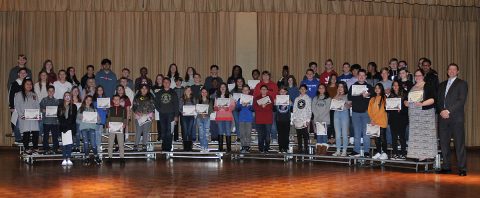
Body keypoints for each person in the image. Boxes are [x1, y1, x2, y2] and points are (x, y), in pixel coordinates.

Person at [436, 63, 468, 176]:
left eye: (454, 69)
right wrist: (441, 111)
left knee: (459, 144)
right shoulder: (441, 85)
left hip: (456, 118)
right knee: (444, 144)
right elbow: (438, 101)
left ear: (458, 71)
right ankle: (446, 166)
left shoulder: (462, 84)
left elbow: (461, 100)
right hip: (443, 118)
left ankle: (462, 168)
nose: (452, 71)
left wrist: (448, 111)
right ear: (447, 71)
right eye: (450, 69)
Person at [405, 69, 437, 161]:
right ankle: (416, 154)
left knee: (425, 134)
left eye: (419, 75)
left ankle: (427, 155)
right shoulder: (412, 86)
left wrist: (422, 104)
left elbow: (433, 99)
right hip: (414, 114)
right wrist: (405, 102)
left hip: (425, 112)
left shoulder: (428, 85)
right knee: (415, 134)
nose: (417, 77)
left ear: (423, 76)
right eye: (416, 75)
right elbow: (406, 98)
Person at [348, 69, 374, 157]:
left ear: (365, 76)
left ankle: (366, 151)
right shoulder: (353, 86)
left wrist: (368, 95)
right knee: (357, 132)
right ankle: (356, 150)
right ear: (357, 76)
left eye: (363, 75)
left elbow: (373, 95)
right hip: (355, 113)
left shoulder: (369, 87)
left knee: (366, 133)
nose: (362, 77)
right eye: (360, 75)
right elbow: (350, 97)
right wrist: (360, 96)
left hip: (366, 113)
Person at [15, 78, 40, 155]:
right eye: (27, 84)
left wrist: (38, 114)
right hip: (24, 117)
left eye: (30, 84)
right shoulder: (19, 94)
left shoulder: (34, 94)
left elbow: (37, 105)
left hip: (33, 117)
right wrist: (21, 115)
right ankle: (26, 148)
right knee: (26, 133)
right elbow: (17, 106)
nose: (29, 86)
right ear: (24, 85)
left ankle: (35, 148)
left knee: (36, 131)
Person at [253, 70, 278, 143]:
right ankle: (259, 138)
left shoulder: (274, 85)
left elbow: (276, 96)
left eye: (267, 75)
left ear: (269, 76)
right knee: (259, 124)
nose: (265, 77)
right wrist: (261, 103)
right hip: (260, 108)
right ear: (262, 77)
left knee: (272, 123)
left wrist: (272, 101)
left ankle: (274, 138)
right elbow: (255, 97)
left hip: (270, 107)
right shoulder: (258, 85)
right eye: (264, 75)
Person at [154, 78, 179, 152]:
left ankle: (168, 147)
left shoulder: (173, 92)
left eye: (167, 82)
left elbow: (176, 105)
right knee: (163, 130)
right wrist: (160, 110)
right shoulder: (159, 93)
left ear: (170, 83)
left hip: (171, 114)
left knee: (169, 131)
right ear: (163, 83)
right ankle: (164, 147)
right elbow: (156, 103)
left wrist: (176, 115)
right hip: (162, 114)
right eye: (164, 82)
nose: (166, 83)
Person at [77, 95, 101, 165]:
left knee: (93, 144)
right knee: (86, 143)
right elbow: (77, 120)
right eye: (87, 99)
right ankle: (86, 156)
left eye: (90, 100)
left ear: (91, 102)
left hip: (92, 128)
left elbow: (99, 121)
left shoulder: (94, 110)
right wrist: (81, 119)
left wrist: (98, 119)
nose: (88, 101)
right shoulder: (81, 109)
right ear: (85, 100)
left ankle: (96, 156)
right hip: (84, 128)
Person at [388, 80, 408, 160]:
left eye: (397, 85)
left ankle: (403, 153)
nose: (395, 87)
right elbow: (387, 110)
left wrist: (401, 109)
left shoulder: (405, 94)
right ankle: (395, 153)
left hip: (402, 118)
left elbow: (407, 108)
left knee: (402, 137)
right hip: (393, 119)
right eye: (394, 85)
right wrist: (389, 107)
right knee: (394, 137)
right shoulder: (390, 95)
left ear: (400, 86)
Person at [132, 84, 155, 151]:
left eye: (145, 88)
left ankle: (144, 145)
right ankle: (136, 145)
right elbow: (134, 107)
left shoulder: (151, 97)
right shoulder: (136, 97)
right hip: (139, 117)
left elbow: (153, 106)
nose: (144, 89)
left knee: (145, 131)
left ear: (147, 90)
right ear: (140, 89)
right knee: (138, 131)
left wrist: (146, 113)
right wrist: (138, 112)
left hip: (148, 116)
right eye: (142, 88)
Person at [368, 83, 388, 160]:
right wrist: (372, 119)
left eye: (379, 88)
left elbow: (384, 110)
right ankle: (379, 152)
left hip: (382, 121)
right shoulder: (372, 99)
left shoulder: (384, 98)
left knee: (383, 138)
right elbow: (369, 110)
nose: (377, 89)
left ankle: (385, 153)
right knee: (376, 139)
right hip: (374, 122)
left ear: (381, 89)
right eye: (376, 88)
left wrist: (376, 119)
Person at [214, 83, 236, 152]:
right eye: (221, 87)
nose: (222, 88)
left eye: (224, 87)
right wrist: (217, 108)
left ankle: (229, 149)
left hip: (227, 116)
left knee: (227, 132)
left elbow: (233, 106)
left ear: (226, 88)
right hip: (219, 116)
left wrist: (228, 109)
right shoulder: (217, 96)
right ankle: (220, 148)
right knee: (220, 132)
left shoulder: (230, 96)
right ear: (219, 88)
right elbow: (214, 107)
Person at [331, 81, 351, 157]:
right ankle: (338, 150)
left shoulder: (347, 95)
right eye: (339, 86)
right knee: (337, 134)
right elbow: (332, 103)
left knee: (344, 134)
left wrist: (343, 103)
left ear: (344, 87)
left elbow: (349, 106)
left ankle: (344, 151)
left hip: (344, 114)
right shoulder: (336, 95)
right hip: (336, 114)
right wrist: (337, 94)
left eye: (342, 86)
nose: (340, 88)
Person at [106, 95, 128, 162]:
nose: (116, 101)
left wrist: (124, 124)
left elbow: (125, 118)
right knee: (110, 143)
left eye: (117, 99)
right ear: (112, 101)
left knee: (121, 144)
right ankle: (110, 158)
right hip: (112, 128)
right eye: (114, 99)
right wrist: (107, 124)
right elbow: (108, 118)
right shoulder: (110, 109)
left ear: (120, 100)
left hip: (120, 128)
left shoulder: (123, 109)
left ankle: (122, 158)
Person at [58, 92, 77, 166]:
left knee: (69, 144)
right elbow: (59, 117)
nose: (67, 97)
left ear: (71, 97)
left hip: (70, 128)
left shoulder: (74, 106)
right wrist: (64, 126)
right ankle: (64, 158)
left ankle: (68, 158)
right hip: (63, 127)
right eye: (65, 96)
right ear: (64, 97)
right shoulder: (60, 106)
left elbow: (72, 118)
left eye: (69, 96)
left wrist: (67, 127)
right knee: (64, 144)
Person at [40, 86, 60, 154]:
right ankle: (46, 148)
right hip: (46, 121)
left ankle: (56, 148)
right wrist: (44, 110)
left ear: (54, 92)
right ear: (47, 92)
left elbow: (59, 111)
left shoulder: (57, 101)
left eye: (52, 91)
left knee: (55, 136)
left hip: (54, 122)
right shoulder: (44, 100)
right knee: (46, 135)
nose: (51, 92)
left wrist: (57, 112)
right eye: (49, 91)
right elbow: (40, 108)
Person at [311, 84, 331, 155]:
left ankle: (324, 150)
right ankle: (319, 150)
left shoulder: (328, 98)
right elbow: (313, 108)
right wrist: (318, 116)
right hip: (317, 120)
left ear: (325, 89)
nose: (321, 89)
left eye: (323, 88)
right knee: (319, 135)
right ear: (318, 89)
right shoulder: (315, 98)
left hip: (325, 119)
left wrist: (321, 117)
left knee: (324, 135)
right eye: (320, 88)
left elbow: (328, 109)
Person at [253, 85, 274, 153]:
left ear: (267, 90)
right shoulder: (256, 98)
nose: (264, 90)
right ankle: (261, 149)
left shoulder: (270, 98)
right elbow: (255, 108)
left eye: (265, 89)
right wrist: (262, 106)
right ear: (260, 90)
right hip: (259, 120)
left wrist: (263, 107)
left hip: (268, 119)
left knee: (267, 135)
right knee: (260, 135)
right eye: (262, 89)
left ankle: (267, 148)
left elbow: (270, 107)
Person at [292, 84, 312, 154]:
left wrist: (308, 120)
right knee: (299, 136)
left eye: (304, 89)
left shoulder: (308, 99)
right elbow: (294, 109)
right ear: (299, 90)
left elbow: (309, 110)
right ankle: (300, 148)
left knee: (305, 135)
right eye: (301, 89)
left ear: (306, 90)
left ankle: (306, 148)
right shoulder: (296, 99)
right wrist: (294, 119)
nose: (302, 90)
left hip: (304, 119)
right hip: (297, 119)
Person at [236, 85, 254, 153]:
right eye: (244, 90)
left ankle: (247, 146)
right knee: (242, 133)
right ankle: (243, 146)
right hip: (241, 119)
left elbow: (253, 109)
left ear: (249, 91)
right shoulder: (240, 99)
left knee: (248, 133)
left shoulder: (252, 98)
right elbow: (237, 108)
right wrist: (241, 106)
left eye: (247, 90)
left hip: (249, 119)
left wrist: (248, 106)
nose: (245, 91)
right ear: (242, 91)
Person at [275, 86, 292, 153]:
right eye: (281, 91)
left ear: (286, 92)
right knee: (280, 134)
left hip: (287, 119)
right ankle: (280, 147)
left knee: (286, 134)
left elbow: (292, 109)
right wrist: (274, 103)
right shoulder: (277, 99)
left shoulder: (289, 99)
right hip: (279, 119)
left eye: (284, 91)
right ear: (279, 92)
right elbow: (274, 109)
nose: (282, 93)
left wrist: (291, 103)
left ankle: (285, 147)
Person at [179, 86, 196, 151]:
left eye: (189, 90)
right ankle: (185, 147)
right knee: (185, 131)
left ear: (191, 91)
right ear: (185, 91)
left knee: (190, 131)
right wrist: (182, 111)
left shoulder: (193, 98)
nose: (188, 91)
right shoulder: (181, 99)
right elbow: (180, 108)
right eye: (187, 90)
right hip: (184, 117)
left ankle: (190, 147)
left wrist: (194, 111)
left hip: (191, 117)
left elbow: (195, 107)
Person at [196, 88, 213, 152]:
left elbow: (211, 110)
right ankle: (202, 147)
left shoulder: (209, 101)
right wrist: (201, 113)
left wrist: (206, 114)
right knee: (201, 133)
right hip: (199, 118)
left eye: (205, 92)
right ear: (201, 93)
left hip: (207, 118)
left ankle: (206, 147)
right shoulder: (198, 100)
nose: (204, 93)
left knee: (206, 133)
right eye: (202, 92)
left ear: (207, 93)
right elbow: (196, 109)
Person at [93, 86, 108, 153]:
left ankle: (98, 146)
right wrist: (97, 115)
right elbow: (94, 109)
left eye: (101, 90)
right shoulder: (94, 99)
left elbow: (107, 111)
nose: (100, 91)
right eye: (98, 90)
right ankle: (97, 147)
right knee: (97, 133)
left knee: (100, 133)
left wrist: (106, 109)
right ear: (96, 91)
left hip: (103, 118)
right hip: (96, 119)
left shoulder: (105, 99)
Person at [327, 73, 338, 143]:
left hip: (336, 107)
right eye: (332, 78)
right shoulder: (327, 87)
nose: (333, 79)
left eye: (335, 78)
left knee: (335, 123)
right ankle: (328, 137)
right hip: (328, 107)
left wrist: (334, 98)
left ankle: (334, 137)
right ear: (330, 79)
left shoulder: (338, 87)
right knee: (329, 123)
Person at [173, 77, 185, 142]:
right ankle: (176, 138)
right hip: (176, 109)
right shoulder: (173, 90)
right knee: (175, 123)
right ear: (175, 82)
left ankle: (184, 137)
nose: (178, 82)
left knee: (183, 123)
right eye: (177, 81)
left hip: (183, 109)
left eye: (179, 81)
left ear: (181, 82)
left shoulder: (184, 89)